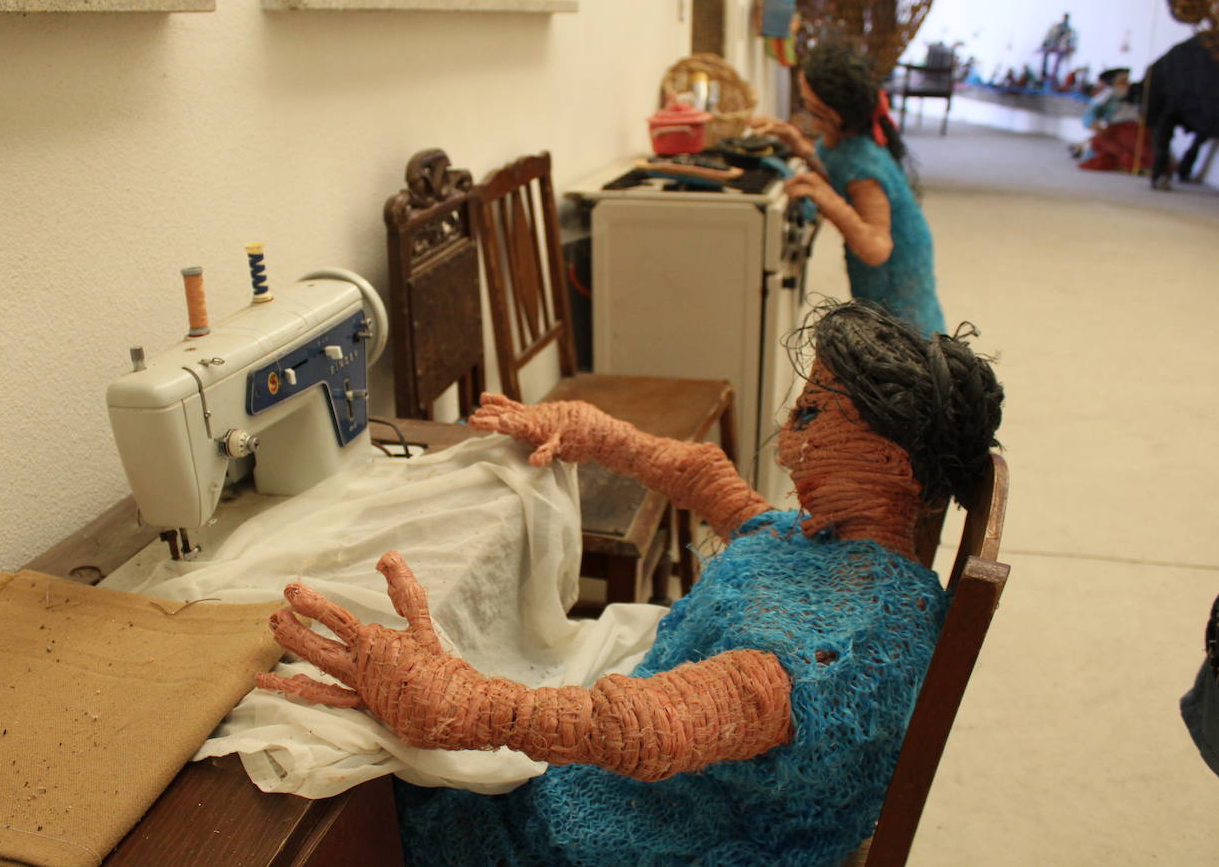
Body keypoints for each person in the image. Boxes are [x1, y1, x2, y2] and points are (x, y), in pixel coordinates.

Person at [256, 300, 1005, 866]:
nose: (789, 429)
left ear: (893, 467)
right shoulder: (840, 548)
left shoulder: (835, 647)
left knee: (350, 810)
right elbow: (710, 482)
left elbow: (645, 728)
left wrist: (468, 705)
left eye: (813, 412)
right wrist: (593, 431)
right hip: (685, 785)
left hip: (673, 839)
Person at [750, 42, 946, 336]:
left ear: (837, 113)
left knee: (904, 340)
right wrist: (799, 145)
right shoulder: (840, 140)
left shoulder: (864, 166)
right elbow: (835, 175)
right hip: (884, 269)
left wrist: (828, 200)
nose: (807, 116)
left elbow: (877, 248)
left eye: (813, 110)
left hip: (897, 275)